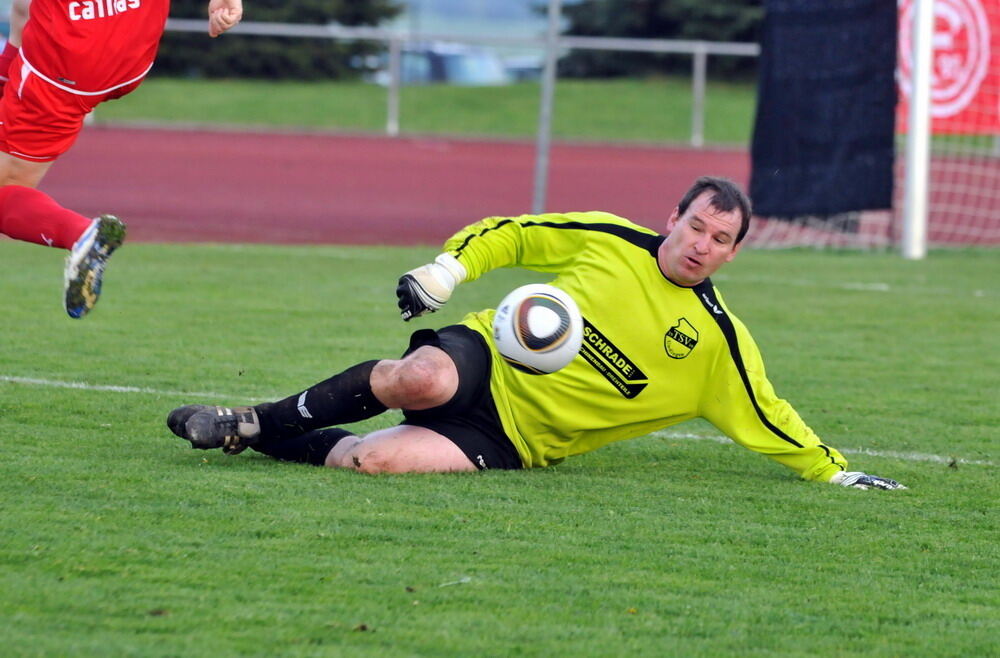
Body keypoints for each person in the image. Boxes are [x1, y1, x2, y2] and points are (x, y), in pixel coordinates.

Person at [166, 176, 906, 491]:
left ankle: (244, 435)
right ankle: (256, 416)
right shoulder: (609, 239)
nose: (700, 244)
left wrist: (836, 471)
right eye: (695, 225)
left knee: (375, 464)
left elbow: (768, 413)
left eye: (719, 239)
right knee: (419, 378)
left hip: (515, 441)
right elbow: (513, 234)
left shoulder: (717, 342)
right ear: (674, 217)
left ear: (733, 253)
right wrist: (447, 273)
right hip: (485, 359)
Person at [0, 0, 243, 318]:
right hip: (131, 52)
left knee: (6, 190)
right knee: (26, 8)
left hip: (67, 66)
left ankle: (82, 234)